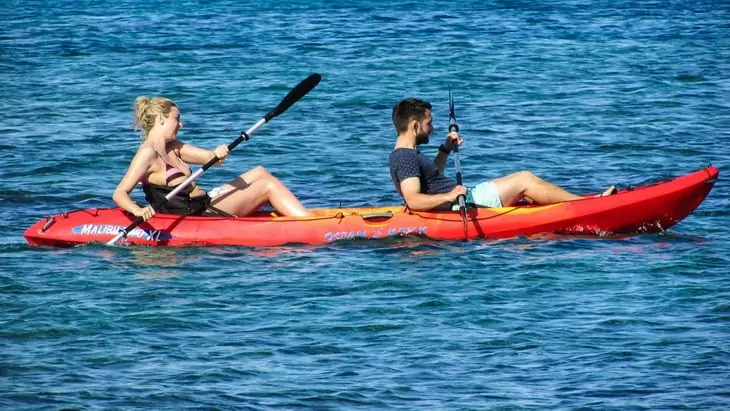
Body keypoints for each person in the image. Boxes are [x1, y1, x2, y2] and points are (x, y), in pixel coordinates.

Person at [388, 98, 615, 211]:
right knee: (524, 180)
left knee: (524, 185)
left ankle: (580, 203)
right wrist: (450, 196)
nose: (433, 127)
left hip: (465, 197)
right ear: (415, 126)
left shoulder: (405, 154)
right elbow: (414, 199)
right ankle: (589, 207)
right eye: (429, 123)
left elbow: (433, 177)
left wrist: (445, 148)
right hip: (462, 204)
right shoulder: (406, 156)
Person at [113, 96, 311, 221]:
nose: (181, 124)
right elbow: (120, 193)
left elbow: (210, 158)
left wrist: (218, 153)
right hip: (196, 215)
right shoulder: (147, 153)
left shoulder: (174, 147)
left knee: (260, 172)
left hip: (205, 201)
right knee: (268, 185)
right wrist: (138, 211)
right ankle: (308, 224)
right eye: (177, 118)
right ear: (161, 119)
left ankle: (286, 212)